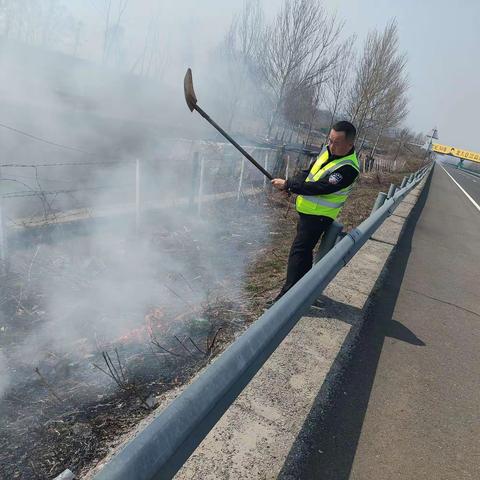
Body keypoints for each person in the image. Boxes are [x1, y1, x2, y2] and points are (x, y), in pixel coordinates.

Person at [270, 120, 360, 300]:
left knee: (299, 252)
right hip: (307, 212)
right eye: (330, 140)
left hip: (319, 217)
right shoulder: (327, 151)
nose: (331, 146)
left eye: (337, 143)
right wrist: (291, 185)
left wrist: (288, 184)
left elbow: (320, 187)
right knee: (303, 253)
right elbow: (309, 173)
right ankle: (304, 293)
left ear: (350, 145)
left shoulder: (348, 169)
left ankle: (286, 299)